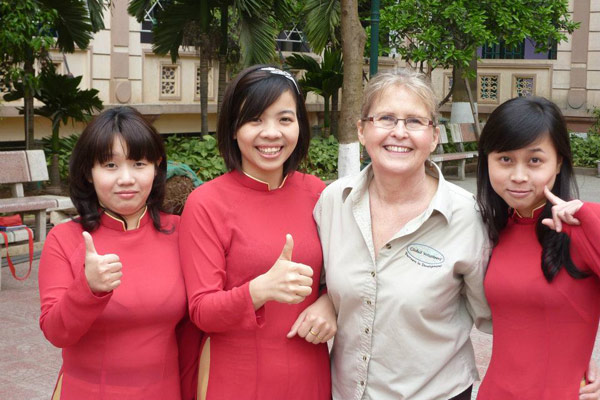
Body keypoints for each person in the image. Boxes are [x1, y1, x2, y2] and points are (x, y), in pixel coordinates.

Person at [314, 68, 492, 400]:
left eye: (414, 121)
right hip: (346, 392)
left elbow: (500, 313)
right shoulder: (333, 203)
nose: (399, 132)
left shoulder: (466, 216)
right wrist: (325, 299)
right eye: (385, 118)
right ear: (362, 131)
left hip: (436, 393)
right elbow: (322, 282)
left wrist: (575, 365)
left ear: (434, 136)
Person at [179, 65, 335, 400]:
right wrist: (259, 290)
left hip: (310, 372)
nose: (271, 133)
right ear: (233, 129)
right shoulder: (206, 203)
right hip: (236, 377)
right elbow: (202, 311)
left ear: (300, 127)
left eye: (284, 119)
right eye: (255, 120)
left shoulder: (319, 195)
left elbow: (342, 278)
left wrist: (329, 303)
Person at [38, 107, 200, 400]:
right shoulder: (64, 239)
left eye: (139, 163)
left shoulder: (182, 232)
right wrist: (87, 290)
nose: (126, 179)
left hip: (164, 391)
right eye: (110, 166)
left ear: (156, 166)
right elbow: (55, 332)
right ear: (88, 172)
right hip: (87, 392)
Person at [475, 96, 600, 399]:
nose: (519, 176)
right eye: (505, 159)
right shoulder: (492, 226)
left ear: (559, 162)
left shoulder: (586, 222)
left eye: (535, 160)